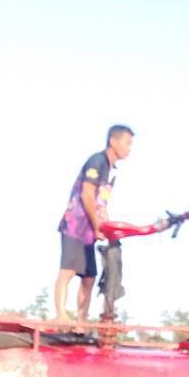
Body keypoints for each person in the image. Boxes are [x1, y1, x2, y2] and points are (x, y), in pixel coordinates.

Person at [54, 124, 134, 323]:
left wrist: (106, 226)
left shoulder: (111, 171)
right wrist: (97, 224)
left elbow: (101, 202)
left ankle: (81, 322)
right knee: (68, 271)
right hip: (75, 226)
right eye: (127, 143)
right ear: (113, 142)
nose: (129, 148)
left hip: (90, 232)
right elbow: (87, 194)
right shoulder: (97, 161)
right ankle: (61, 315)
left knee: (89, 277)